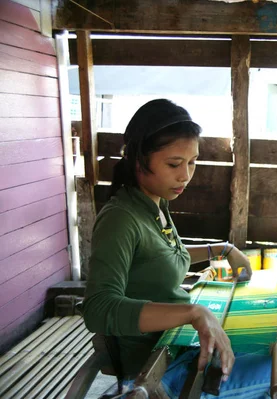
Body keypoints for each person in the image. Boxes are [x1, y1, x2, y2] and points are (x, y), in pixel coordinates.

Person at [83, 99, 252, 383]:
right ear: (138, 160)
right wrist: (193, 312)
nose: (185, 175)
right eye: (174, 163)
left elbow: (160, 257)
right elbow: (98, 309)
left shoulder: (154, 205)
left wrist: (222, 249)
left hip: (176, 345)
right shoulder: (121, 219)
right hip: (155, 367)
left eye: (192, 162)